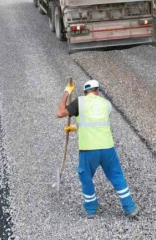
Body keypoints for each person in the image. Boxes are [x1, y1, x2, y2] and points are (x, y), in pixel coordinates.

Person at [56, 79, 139, 218]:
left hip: (88, 149)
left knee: (86, 178)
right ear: (97, 90)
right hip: (107, 148)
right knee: (117, 176)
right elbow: (96, 124)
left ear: (85, 91)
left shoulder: (80, 101)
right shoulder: (107, 104)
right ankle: (130, 208)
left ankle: (90, 210)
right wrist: (76, 128)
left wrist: (66, 92)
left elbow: (60, 113)